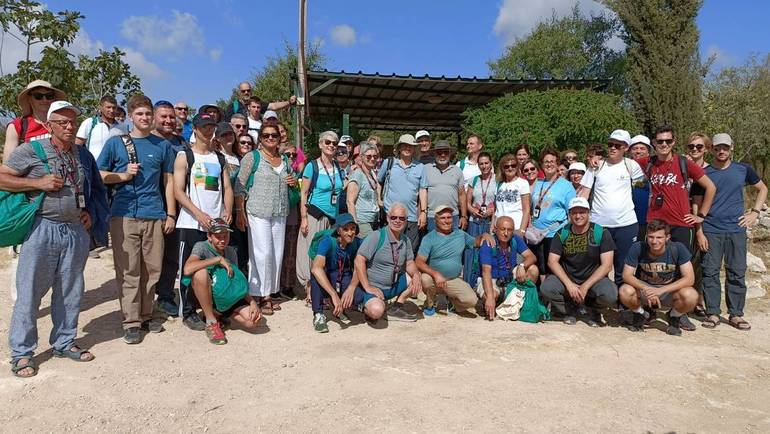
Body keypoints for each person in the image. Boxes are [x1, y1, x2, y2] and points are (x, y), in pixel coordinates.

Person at [0, 100, 108, 378]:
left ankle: (64, 342)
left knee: (70, 291)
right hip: (42, 228)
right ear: (49, 126)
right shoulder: (31, 150)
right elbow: (2, 176)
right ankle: (22, 353)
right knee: (30, 293)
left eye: (72, 121)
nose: (70, 127)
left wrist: (91, 216)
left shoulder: (83, 155)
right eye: (62, 122)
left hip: (75, 231)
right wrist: (36, 183)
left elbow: (96, 190)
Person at [98, 94, 176, 344]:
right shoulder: (116, 143)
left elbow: (169, 182)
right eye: (139, 114)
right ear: (130, 116)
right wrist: (121, 176)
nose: (144, 118)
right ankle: (130, 321)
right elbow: (99, 174)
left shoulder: (162, 145)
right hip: (124, 215)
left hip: (154, 214)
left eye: (147, 114)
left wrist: (170, 213)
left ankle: (145, 314)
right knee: (129, 269)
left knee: (152, 269)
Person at [694, 134, 767, 331]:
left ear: (731, 148)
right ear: (712, 150)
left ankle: (736, 314)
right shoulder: (703, 174)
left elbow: (762, 189)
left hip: (736, 230)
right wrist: (699, 232)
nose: (721, 151)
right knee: (710, 272)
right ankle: (713, 313)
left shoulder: (743, 169)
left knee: (736, 272)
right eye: (717, 148)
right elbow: (697, 206)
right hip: (711, 230)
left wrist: (755, 213)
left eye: (725, 147)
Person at [173, 114, 234, 330]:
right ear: (196, 129)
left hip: (216, 225)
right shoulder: (184, 156)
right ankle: (188, 311)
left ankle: (212, 309)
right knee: (189, 270)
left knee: (215, 267)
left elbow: (227, 187)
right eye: (204, 127)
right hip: (191, 223)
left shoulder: (219, 158)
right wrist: (198, 213)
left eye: (212, 127)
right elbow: (178, 191)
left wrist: (227, 210)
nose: (209, 131)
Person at [234, 121, 295, 314]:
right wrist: (239, 212)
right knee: (262, 253)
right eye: (266, 135)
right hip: (257, 211)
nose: (270, 138)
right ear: (260, 138)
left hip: (279, 212)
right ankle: (260, 294)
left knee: (277, 253)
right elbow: (239, 185)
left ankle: (270, 292)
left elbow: (292, 181)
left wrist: (293, 182)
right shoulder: (253, 157)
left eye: (274, 135)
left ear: (279, 138)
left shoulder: (285, 159)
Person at [578, 129, 646, 287]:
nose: (613, 148)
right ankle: (597, 302)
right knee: (594, 266)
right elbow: (584, 194)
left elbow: (641, 193)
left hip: (626, 225)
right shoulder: (596, 166)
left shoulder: (631, 166)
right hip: (598, 226)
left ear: (626, 148)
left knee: (624, 267)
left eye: (617, 145)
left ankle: (624, 306)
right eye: (610, 144)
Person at [636, 125, 716, 252]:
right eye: (660, 141)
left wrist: (701, 215)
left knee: (682, 266)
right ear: (654, 142)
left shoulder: (683, 162)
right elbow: (620, 162)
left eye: (668, 141)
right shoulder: (647, 162)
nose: (664, 144)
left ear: (673, 142)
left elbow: (711, 187)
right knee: (655, 265)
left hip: (681, 224)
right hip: (655, 224)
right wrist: (596, 160)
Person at [540, 197, 617, 326]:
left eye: (582, 212)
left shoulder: (601, 232)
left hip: (593, 279)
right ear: (569, 215)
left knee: (610, 295)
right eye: (574, 213)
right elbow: (552, 261)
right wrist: (569, 285)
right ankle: (570, 309)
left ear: (589, 213)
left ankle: (593, 309)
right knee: (547, 288)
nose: (578, 216)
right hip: (568, 278)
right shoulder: (562, 233)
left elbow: (607, 265)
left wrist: (585, 286)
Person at [183, 218, 261, 345]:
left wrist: (252, 302)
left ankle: (220, 315)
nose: (223, 240)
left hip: (224, 295)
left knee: (252, 321)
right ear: (209, 236)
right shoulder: (201, 247)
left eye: (225, 236)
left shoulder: (231, 251)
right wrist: (217, 259)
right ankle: (211, 321)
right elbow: (187, 269)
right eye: (218, 237)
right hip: (202, 292)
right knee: (200, 273)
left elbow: (236, 281)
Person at [619, 219, 699, 336]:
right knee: (625, 291)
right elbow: (626, 275)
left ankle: (674, 316)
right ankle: (640, 313)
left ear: (667, 237)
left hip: (668, 291)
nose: (654, 241)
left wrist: (660, 290)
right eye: (651, 237)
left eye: (659, 238)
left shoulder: (678, 249)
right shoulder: (638, 248)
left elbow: (689, 279)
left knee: (691, 295)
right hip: (645, 291)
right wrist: (647, 289)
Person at [417, 205, 495, 316]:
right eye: (443, 218)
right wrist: (435, 274)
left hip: (453, 279)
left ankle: (453, 304)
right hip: (434, 279)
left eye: (449, 217)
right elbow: (419, 261)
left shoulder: (460, 234)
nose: (446, 221)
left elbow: (476, 242)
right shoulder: (429, 238)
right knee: (425, 279)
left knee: (472, 300)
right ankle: (430, 303)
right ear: (435, 220)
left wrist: (484, 235)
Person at [353, 203, 423, 322]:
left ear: (406, 221)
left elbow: (410, 263)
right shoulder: (376, 236)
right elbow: (359, 260)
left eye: (401, 218)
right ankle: (361, 306)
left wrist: (416, 274)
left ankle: (396, 308)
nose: (397, 221)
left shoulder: (406, 240)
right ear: (387, 218)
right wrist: (367, 286)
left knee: (416, 277)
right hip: (374, 288)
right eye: (393, 217)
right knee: (376, 311)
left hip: (393, 286)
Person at [153, 100, 189, 317]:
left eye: (170, 117)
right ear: (155, 117)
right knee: (149, 257)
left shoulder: (182, 144)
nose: (168, 120)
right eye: (163, 116)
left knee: (172, 255)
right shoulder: (144, 142)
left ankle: (165, 296)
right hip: (150, 206)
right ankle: (145, 300)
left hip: (176, 208)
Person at [296, 131, 344, 297]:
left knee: (325, 252)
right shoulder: (312, 166)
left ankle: (322, 287)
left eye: (334, 143)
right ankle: (309, 288)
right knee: (311, 251)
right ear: (320, 144)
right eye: (328, 142)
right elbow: (304, 193)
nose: (331, 146)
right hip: (314, 215)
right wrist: (303, 218)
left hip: (331, 218)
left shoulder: (337, 167)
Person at [527, 149, 576, 280]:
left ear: (557, 163)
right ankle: (540, 296)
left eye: (552, 162)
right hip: (536, 233)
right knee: (538, 267)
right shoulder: (538, 183)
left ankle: (551, 295)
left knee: (552, 268)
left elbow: (572, 213)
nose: (549, 164)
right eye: (546, 162)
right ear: (542, 165)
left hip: (555, 233)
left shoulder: (566, 186)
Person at [478, 216, 539, 320]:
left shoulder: (515, 240)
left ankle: (521, 305)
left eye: (509, 230)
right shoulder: (488, 243)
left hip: (509, 278)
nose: (506, 233)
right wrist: (490, 297)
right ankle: (492, 304)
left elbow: (532, 257)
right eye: (502, 229)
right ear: (496, 229)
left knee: (533, 269)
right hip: (491, 280)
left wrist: (522, 265)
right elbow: (486, 272)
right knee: (493, 295)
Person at [309, 213, 362, 333]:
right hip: (328, 274)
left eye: (353, 228)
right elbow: (316, 269)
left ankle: (339, 308)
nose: (350, 233)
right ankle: (318, 314)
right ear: (338, 230)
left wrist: (352, 288)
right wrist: (333, 294)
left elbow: (363, 262)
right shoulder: (327, 241)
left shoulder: (356, 243)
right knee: (316, 276)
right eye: (346, 229)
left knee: (358, 297)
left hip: (343, 274)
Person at [378, 134, 428, 254]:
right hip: (391, 216)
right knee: (388, 251)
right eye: (404, 146)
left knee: (409, 251)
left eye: (410, 146)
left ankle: (405, 273)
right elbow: (379, 182)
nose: (407, 148)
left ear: (414, 149)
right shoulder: (389, 163)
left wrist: (423, 212)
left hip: (411, 217)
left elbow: (423, 190)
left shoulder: (420, 167)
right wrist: (379, 199)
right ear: (399, 148)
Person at [214, 122, 248, 276]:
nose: (228, 137)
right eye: (223, 134)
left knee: (242, 248)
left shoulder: (241, 158)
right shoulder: (216, 158)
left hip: (242, 208)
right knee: (226, 246)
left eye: (230, 133)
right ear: (218, 138)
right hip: (223, 209)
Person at [3, 80, 65, 162]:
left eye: (49, 96)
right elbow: (7, 165)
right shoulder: (17, 126)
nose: (44, 100)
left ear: (54, 99)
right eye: (38, 96)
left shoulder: (64, 123)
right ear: (29, 99)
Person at [463, 151, 497, 286]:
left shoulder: (498, 180)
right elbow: (467, 202)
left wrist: (491, 210)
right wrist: (473, 210)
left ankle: (485, 285)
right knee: (471, 252)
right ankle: (469, 284)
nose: (484, 166)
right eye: (481, 164)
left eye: (486, 163)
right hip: (475, 222)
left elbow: (500, 202)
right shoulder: (474, 180)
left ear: (491, 163)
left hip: (489, 223)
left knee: (487, 252)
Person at [425, 140, 467, 231]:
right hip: (432, 216)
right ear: (435, 154)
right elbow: (422, 193)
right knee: (433, 244)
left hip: (452, 216)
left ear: (450, 154)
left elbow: (462, 194)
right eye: (439, 152)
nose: (443, 155)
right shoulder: (426, 169)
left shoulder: (457, 170)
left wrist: (463, 216)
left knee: (453, 244)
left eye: (445, 152)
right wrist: (422, 214)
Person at [279, 143, 302, 298]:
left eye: (294, 155)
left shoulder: (297, 174)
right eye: (288, 154)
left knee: (290, 253)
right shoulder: (278, 170)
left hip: (292, 218)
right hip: (275, 217)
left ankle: (287, 285)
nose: (292, 157)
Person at [346, 141, 381, 237]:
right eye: (368, 156)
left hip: (373, 221)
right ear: (361, 157)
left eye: (375, 156)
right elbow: (350, 201)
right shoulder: (357, 175)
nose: (372, 159)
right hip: (362, 222)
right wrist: (354, 225)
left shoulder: (372, 173)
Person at [494, 153, 531, 235]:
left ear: (517, 167)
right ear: (502, 169)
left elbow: (526, 210)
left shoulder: (523, 183)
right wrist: (492, 226)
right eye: (506, 166)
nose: (510, 168)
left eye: (513, 165)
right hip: (499, 228)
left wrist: (522, 230)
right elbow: (496, 209)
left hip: (515, 228)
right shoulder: (499, 184)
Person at [222, 81, 296, 121]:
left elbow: (273, 106)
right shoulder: (232, 107)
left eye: (248, 90)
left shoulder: (257, 104)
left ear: (251, 91)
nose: (246, 93)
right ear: (239, 92)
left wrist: (289, 102)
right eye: (243, 91)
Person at [75, 95, 121, 160]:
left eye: (114, 108)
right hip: (93, 166)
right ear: (100, 108)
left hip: (116, 168)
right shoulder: (90, 123)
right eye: (108, 107)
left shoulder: (122, 127)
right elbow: (77, 146)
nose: (112, 110)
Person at [628, 135, 651, 239]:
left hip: (647, 218)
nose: (638, 151)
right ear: (629, 151)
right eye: (635, 148)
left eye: (642, 148)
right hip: (626, 218)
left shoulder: (654, 167)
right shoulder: (622, 166)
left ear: (648, 152)